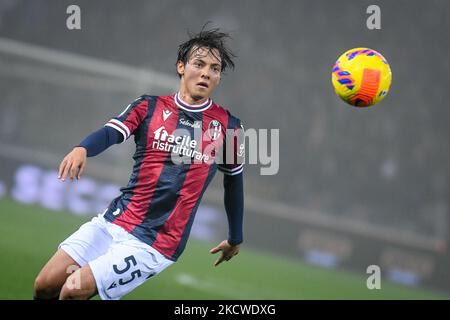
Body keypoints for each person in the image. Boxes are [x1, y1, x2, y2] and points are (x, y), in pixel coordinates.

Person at [33, 27, 245, 300]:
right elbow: (112, 132)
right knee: (45, 284)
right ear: (181, 67)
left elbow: (234, 181)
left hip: (154, 243)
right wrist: (82, 147)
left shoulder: (228, 127)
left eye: (215, 69)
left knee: (72, 291)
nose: (206, 73)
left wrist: (235, 237)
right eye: (199, 64)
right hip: (114, 222)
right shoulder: (149, 107)